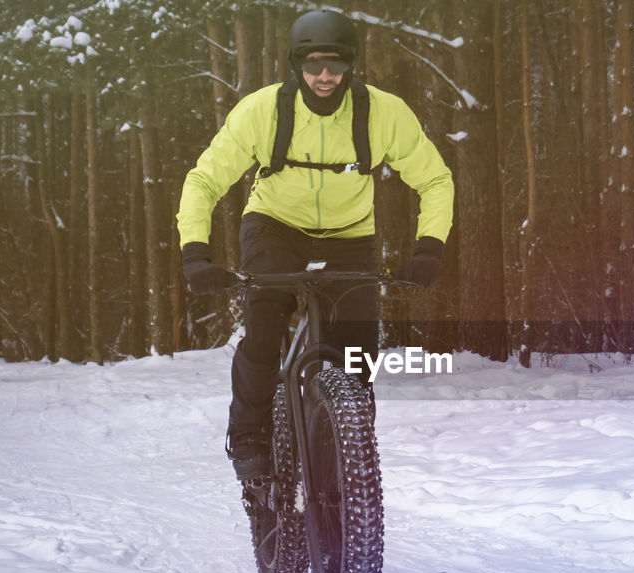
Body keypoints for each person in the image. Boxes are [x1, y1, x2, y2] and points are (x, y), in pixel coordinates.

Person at [176, 9, 454, 484]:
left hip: (349, 235)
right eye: (312, 65)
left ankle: (349, 446)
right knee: (263, 327)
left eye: (335, 65)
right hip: (275, 227)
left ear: (350, 64)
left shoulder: (382, 113)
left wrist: (429, 247)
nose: (324, 76)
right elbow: (204, 180)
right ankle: (248, 438)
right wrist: (195, 253)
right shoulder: (262, 111)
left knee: (356, 353)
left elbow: (435, 179)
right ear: (295, 64)